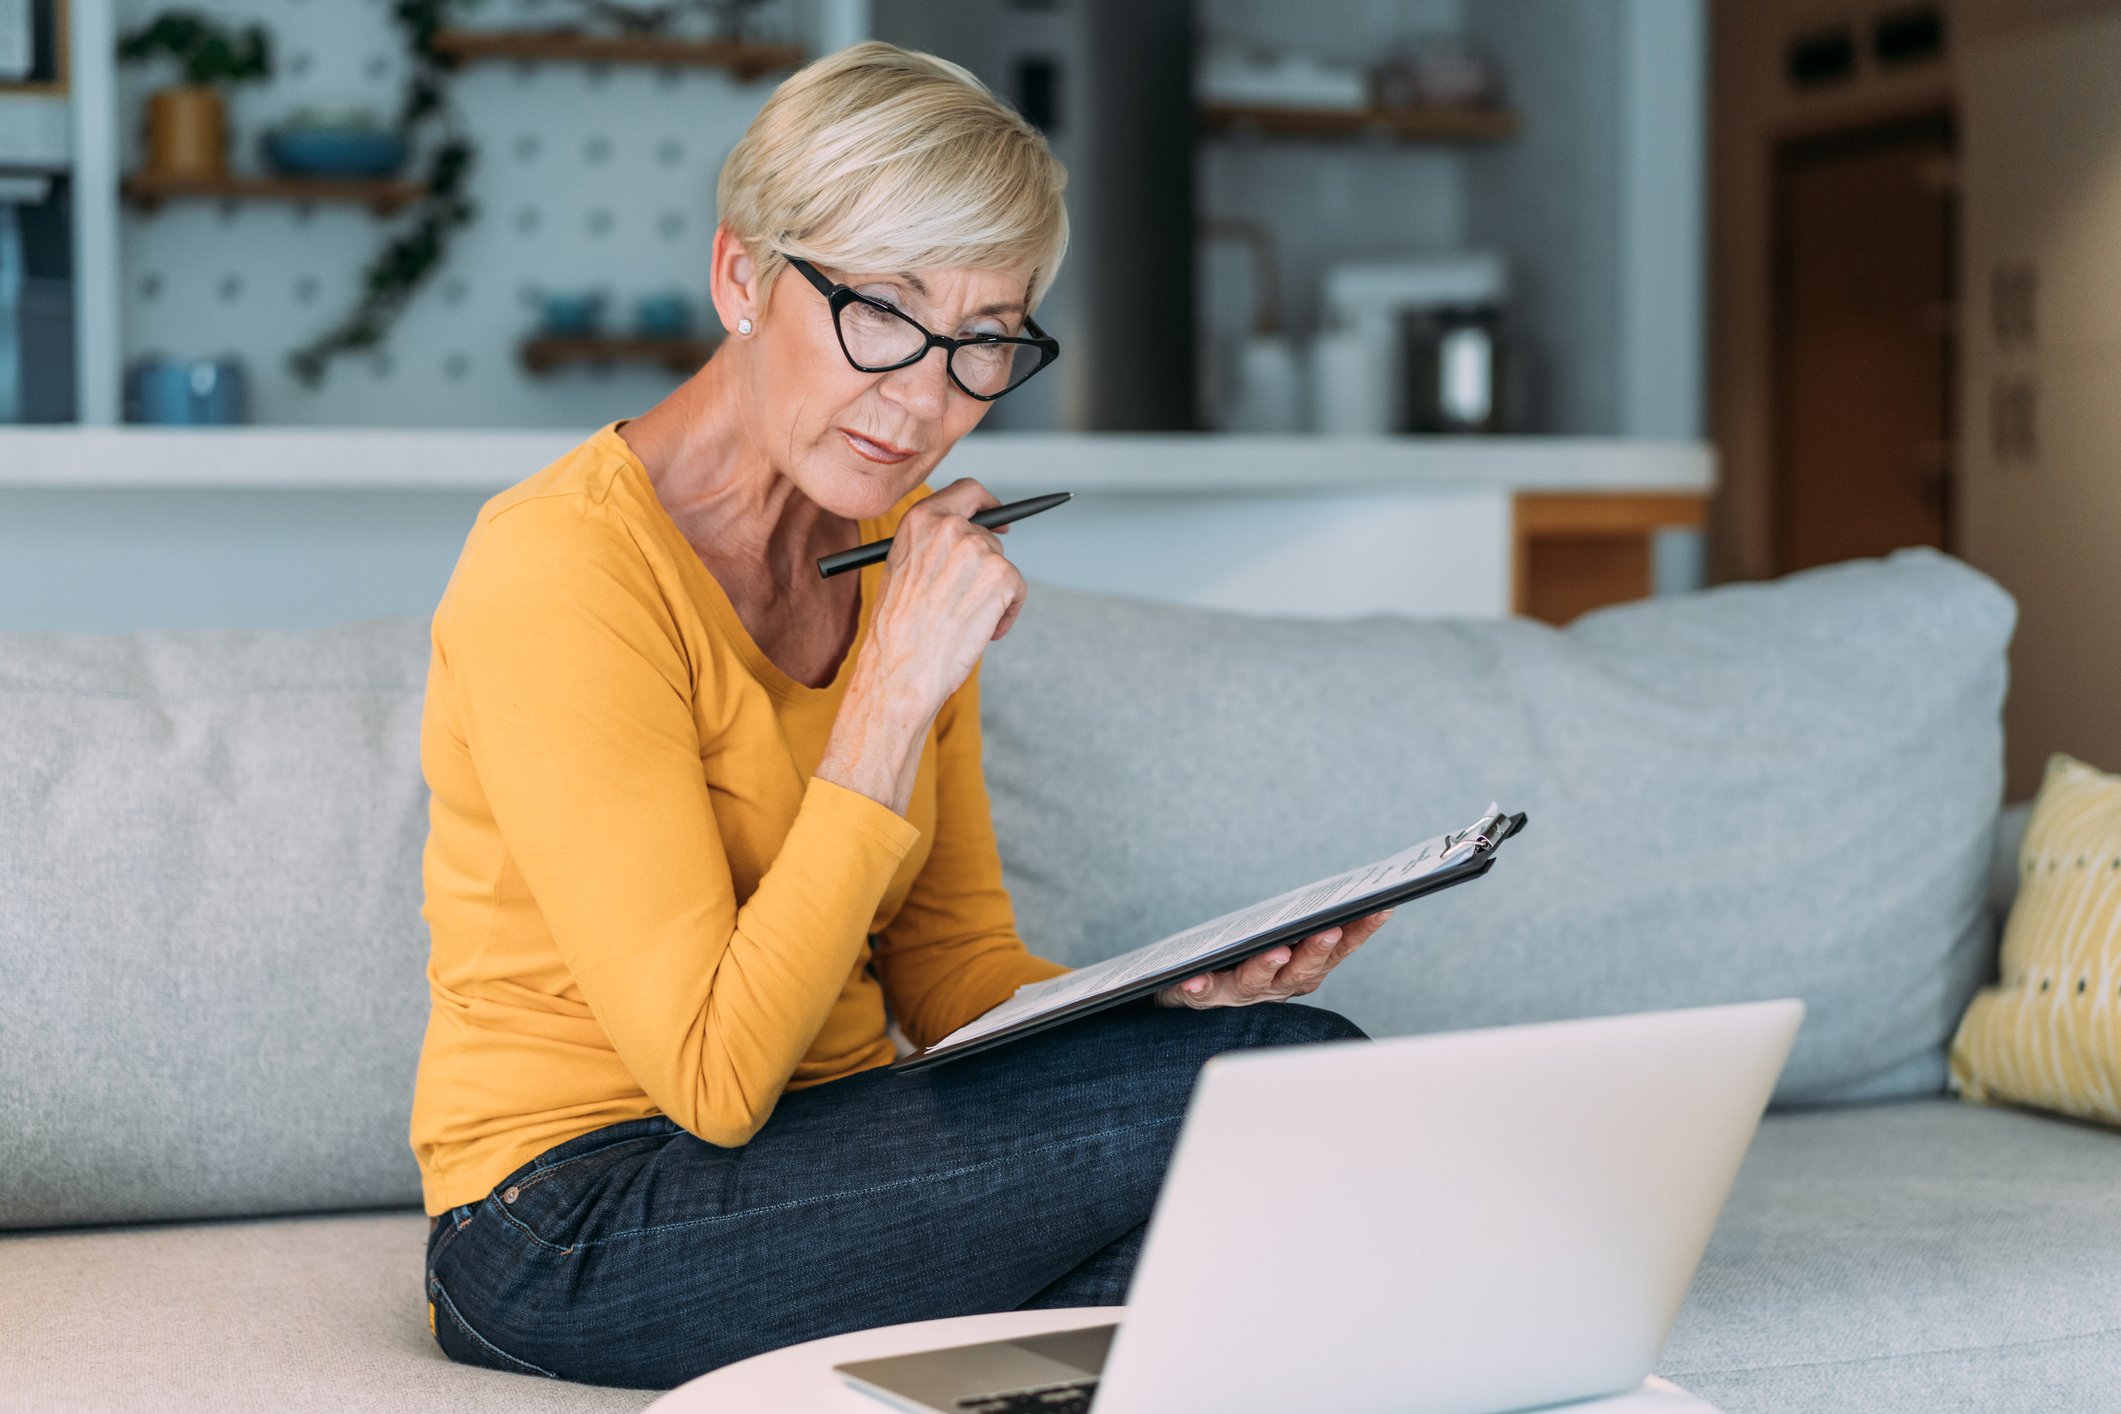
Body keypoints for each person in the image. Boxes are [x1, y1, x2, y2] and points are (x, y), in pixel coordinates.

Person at [411, 41, 1381, 1391]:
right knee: (1287, 1090)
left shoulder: (887, 553)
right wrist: (892, 688)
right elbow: (709, 1074)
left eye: (984, 342)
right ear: (740, 276)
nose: (925, 398)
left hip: (838, 1155)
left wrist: (1162, 1006)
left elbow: (953, 968)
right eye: (881, 312)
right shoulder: (559, 567)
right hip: (564, 1221)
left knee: (1256, 1189)